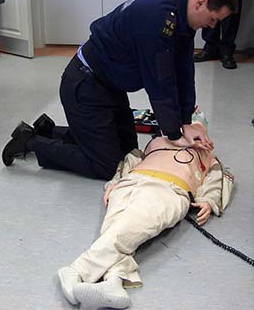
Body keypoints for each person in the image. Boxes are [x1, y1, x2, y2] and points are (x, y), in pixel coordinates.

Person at [2, 0, 237, 181]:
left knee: (128, 152)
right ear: (200, 2)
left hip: (110, 86)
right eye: (213, 19)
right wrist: (174, 134)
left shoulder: (182, 19)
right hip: (85, 85)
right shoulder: (158, 20)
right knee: (106, 166)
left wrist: (186, 121)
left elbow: (185, 72)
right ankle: (29, 141)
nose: (211, 26)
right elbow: (160, 83)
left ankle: (47, 130)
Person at [57, 114, 234, 309]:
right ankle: (113, 281)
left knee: (129, 226)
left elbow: (216, 179)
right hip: (131, 181)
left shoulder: (207, 156)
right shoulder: (156, 142)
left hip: (169, 188)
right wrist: (115, 182)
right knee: (118, 228)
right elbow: (129, 161)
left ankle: (77, 270)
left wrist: (208, 200)